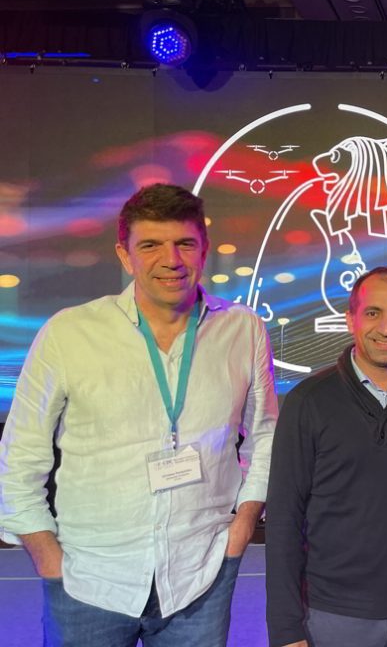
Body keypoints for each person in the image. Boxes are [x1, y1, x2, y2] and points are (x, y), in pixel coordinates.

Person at [0, 183, 278, 646]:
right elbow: (20, 454)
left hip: (201, 576)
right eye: (150, 245)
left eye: (184, 243)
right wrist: (47, 556)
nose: (171, 260)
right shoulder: (69, 333)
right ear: (125, 256)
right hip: (89, 581)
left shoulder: (242, 329)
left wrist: (244, 523)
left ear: (204, 249)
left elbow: (265, 433)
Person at [265, 266, 387, 647]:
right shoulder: (309, 401)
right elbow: (284, 516)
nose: (386, 328)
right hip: (334, 615)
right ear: (350, 319)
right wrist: (285, 626)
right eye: (373, 313)